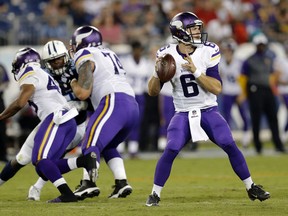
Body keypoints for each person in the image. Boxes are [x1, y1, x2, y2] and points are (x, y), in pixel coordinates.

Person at [145, 12, 270, 207]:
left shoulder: (208, 50)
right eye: (193, 28)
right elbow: (152, 92)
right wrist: (157, 74)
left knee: (229, 143)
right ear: (180, 31)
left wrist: (195, 70)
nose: (198, 32)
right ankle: (154, 194)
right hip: (183, 112)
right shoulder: (166, 54)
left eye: (198, 28)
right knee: (171, 147)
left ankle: (251, 186)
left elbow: (217, 88)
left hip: (208, 110)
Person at [0, 47, 96, 203]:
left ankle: (67, 194)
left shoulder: (30, 70)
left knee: (40, 159)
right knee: (30, 161)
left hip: (57, 119)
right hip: (60, 119)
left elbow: (20, 103)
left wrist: (1, 116)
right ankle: (82, 162)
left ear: (22, 63)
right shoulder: (42, 73)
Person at [69, 25, 139, 198]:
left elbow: (83, 92)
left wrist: (72, 83)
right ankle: (121, 183)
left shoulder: (84, 54)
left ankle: (88, 183)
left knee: (89, 142)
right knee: (108, 145)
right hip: (131, 104)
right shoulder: (109, 52)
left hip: (113, 101)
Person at [27, 40, 99, 201]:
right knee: (45, 159)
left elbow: (87, 95)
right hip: (56, 123)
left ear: (66, 56)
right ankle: (38, 187)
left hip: (78, 122)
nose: (57, 62)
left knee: (46, 160)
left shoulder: (77, 70)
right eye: (53, 60)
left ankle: (84, 183)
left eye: (59, 58)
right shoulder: (45, 76)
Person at [239, 33, 285, 154]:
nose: (261, 47)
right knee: (256, 119)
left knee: (273, 118)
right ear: (255, 45)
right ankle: (258, 146)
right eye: (259, 45)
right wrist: (244, 93)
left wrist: (274, 88)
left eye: (262, 45)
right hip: (255, 90)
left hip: (267, 89)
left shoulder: (269, 59)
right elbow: (243, 77)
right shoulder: (249, 60)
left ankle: (278, 144)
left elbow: (272, 74)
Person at [118, 40, 150, 157]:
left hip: (140, 95)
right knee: (123, 122)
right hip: (127, 95)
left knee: (136, 122)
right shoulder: (125, 62)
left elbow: (148, 80)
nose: (137, 52)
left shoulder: (146, 63)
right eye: (135, 49)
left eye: (139, 50)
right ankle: (120, 147)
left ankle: (133, 148)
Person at [219, 38, 250, 148]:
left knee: (244, 115)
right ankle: (228, 140)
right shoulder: (220, 62)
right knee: (226, 117)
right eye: (226, 50)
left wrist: (243, 93)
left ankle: (246, 138)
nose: (227, 52)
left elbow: (244, 79)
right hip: (227, 92)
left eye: (229, 50)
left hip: (238, 92)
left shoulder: (239, 62)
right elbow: (220, 77)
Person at [0, 63, 9, 162]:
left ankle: (3, 155)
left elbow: (6, 82)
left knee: (1, 129)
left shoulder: (1, 67)